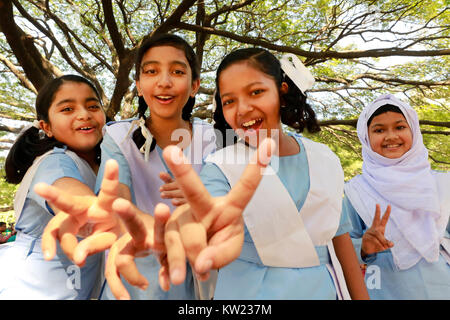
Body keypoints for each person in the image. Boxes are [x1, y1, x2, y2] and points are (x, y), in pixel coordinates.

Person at [110, 48, 369, 300]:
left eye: (256, 92)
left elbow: (340, 240)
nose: (242, 108)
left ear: (282, 90)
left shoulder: (324, 158)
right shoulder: (221, 165)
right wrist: (184, 228)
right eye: (229, 101)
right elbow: (207, 209)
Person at [34, 33, 217, 300]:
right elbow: (117, 198)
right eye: (152, 71)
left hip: (198, 284)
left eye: (177, 71)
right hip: (133, 282)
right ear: (139, 85)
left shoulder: (214, 139)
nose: (164, 82)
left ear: (194, 85)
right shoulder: (118, 136)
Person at [0, 75, 106, 299]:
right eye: (67, 109)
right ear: (46, 127)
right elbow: (72, 197)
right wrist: (92, 211)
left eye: (93, 106)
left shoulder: (103, 164)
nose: (84, 114)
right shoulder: (54, 161)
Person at [344, 94, 450, 299]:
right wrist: (365, 248)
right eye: (379, 130)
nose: (391, 136)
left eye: (400, 127)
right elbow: (342, 245)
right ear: (365, 137)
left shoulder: (442, 184)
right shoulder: (356, 191)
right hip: (384, 290)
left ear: (414, 131)